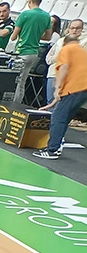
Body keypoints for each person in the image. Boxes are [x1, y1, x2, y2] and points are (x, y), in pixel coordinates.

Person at [35, 18, 87, 160]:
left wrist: (57, 88)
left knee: (58, 117)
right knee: (64, 117)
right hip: (82, 89)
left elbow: (64, 68)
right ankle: (56, 146)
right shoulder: (80, 51)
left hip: (73, 88)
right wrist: (52, 103)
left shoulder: (66, 49)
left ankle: (52, 150)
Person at [10, 0, 53, 105]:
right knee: (23, 81)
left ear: (29, 1)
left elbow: (13, 36)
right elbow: (48, 37)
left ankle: (12, 104)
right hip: (34, 52)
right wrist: (36, 35)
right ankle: (17, 104)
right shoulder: (46, 16)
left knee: (15, 81)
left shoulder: (25, 14)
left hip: (22, 51)